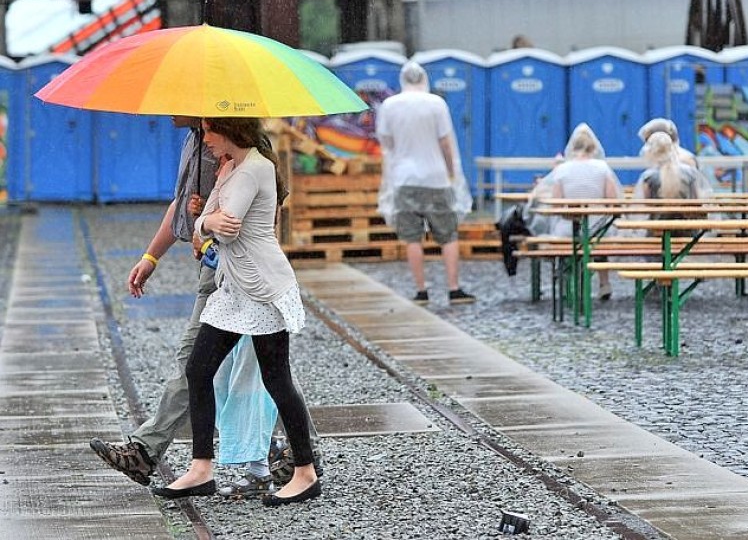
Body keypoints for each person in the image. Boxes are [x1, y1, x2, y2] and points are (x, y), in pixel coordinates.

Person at [89, 116, 320, 498]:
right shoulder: (220, 161)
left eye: (210, 132)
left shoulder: (250, 167)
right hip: (228, 284)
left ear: (225, 128)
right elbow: (197, 218)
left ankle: (306, 466)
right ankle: (201, 469)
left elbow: (226, 225)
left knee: (274, 376)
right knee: (198, 369)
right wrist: (191, 228)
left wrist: (207, 220)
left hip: (258, 286)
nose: (168, 114)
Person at [376, 61, 475, 305]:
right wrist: (452, 173)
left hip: (404, 179)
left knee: (412, 237)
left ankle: (421, 291)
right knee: (448, 235)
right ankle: (454, 288)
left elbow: (386, 143)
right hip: (436, 177)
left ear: (403, 79)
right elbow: (445, 142)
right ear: (423, 79)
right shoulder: (436, 104)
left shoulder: (389, 105)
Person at [546, 123, 623, 299]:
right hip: (598, 228)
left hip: (569, 229)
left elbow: (556, 206)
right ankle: (604, 283)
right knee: (599, 240)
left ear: (572, 148)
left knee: (573, 241)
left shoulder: (562, 170)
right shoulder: (603, 169)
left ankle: (568, 282)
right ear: (594, 148)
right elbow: (614, 203)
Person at [634, 131, 713, 236]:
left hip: (657, 233)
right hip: (687, 233)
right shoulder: (690, 173)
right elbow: (698, 202)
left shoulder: (648, 177)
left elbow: (643, 209)